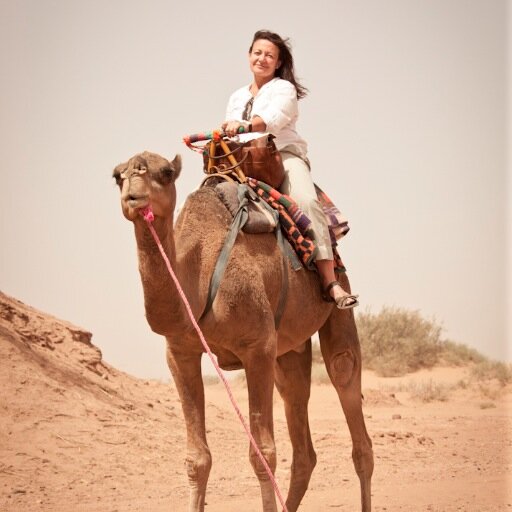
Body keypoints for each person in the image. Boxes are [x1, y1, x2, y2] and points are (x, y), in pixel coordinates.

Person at [222, 30, 358, 309]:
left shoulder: (284, 89)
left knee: (307, 202)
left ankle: (330, 283)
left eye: (269, 55)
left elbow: (271, 120)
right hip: (243, 163)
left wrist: (246, 127)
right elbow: (231, 129)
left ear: (278, 61)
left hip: (281, 157)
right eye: (258, 53)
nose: (262, 59)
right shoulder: (236, 97)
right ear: (249, 56)